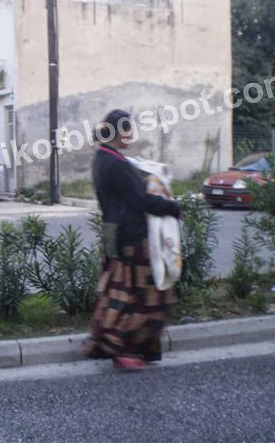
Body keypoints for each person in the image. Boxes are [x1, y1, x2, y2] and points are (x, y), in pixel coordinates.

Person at [83, 109, 181, 370]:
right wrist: (172, 207)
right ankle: (124, 349)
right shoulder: (116, 163)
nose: (131, 134)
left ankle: (125, 348)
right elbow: (139, 201)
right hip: (131, 235)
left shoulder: (104, 157)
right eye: (127, 129)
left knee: (117, 292)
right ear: (116, 132)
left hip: (114, 232)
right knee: (141, 296)